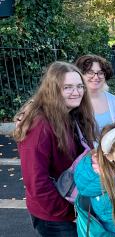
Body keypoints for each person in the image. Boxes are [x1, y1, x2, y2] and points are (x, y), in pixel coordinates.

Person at [14, 61, 98, 237]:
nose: (77, 92)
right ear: (52, 89)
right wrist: (69, 214)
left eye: (80, 86)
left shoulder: (71, 114)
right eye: (68, 87)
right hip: (56, 216)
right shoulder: (40, 126)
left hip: (71, 205)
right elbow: (38, 183)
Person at [75, 55, 115, 136]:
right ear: (80, 74)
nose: (96, 77)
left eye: (100, 73)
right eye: (90, 72)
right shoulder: (73, 103)